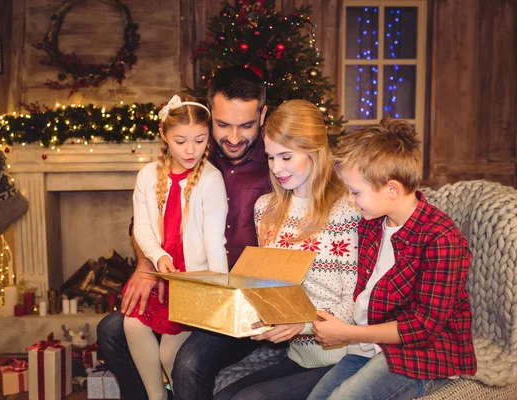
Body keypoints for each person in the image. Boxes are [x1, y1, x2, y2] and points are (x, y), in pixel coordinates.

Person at [97, 66, 272, 400]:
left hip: (241, 298)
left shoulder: (276, 166)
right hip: (180, 279)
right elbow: (145, 223)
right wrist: (147, 265)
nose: (233, 137)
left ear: (262, 115)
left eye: (246, 125)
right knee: (111, 329)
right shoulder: (193, 152)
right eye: (222, 125)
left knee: (187, 361)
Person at [308, 119, 477, 400]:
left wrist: (348, 333)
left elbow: (423, 327)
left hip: (424, 353)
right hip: (371, 346)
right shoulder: (372, 223)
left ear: (392, 189)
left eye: (356, 192)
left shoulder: (442, 239)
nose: (350, 200)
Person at [213, 100, 361, 400]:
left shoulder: (347, 211)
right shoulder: (265, 209)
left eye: (286, 156)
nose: (276, 168)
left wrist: (302, 324)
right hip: (296, 356)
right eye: (270, 157)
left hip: (341, 358)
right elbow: (269, 290)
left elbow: (356, 305)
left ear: (315, 152)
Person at [123, 94, 229, 400]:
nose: (191, 150)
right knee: (132, 324)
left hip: (194, 280)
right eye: (181, 141)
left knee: (171, 353)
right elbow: (141, 227)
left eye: (200, 140)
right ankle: (156, 396)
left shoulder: (211, 180)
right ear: (164, 135)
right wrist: (158, 258)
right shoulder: (147, 176)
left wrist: (219, 290)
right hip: (163, 273)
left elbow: (214, 240)